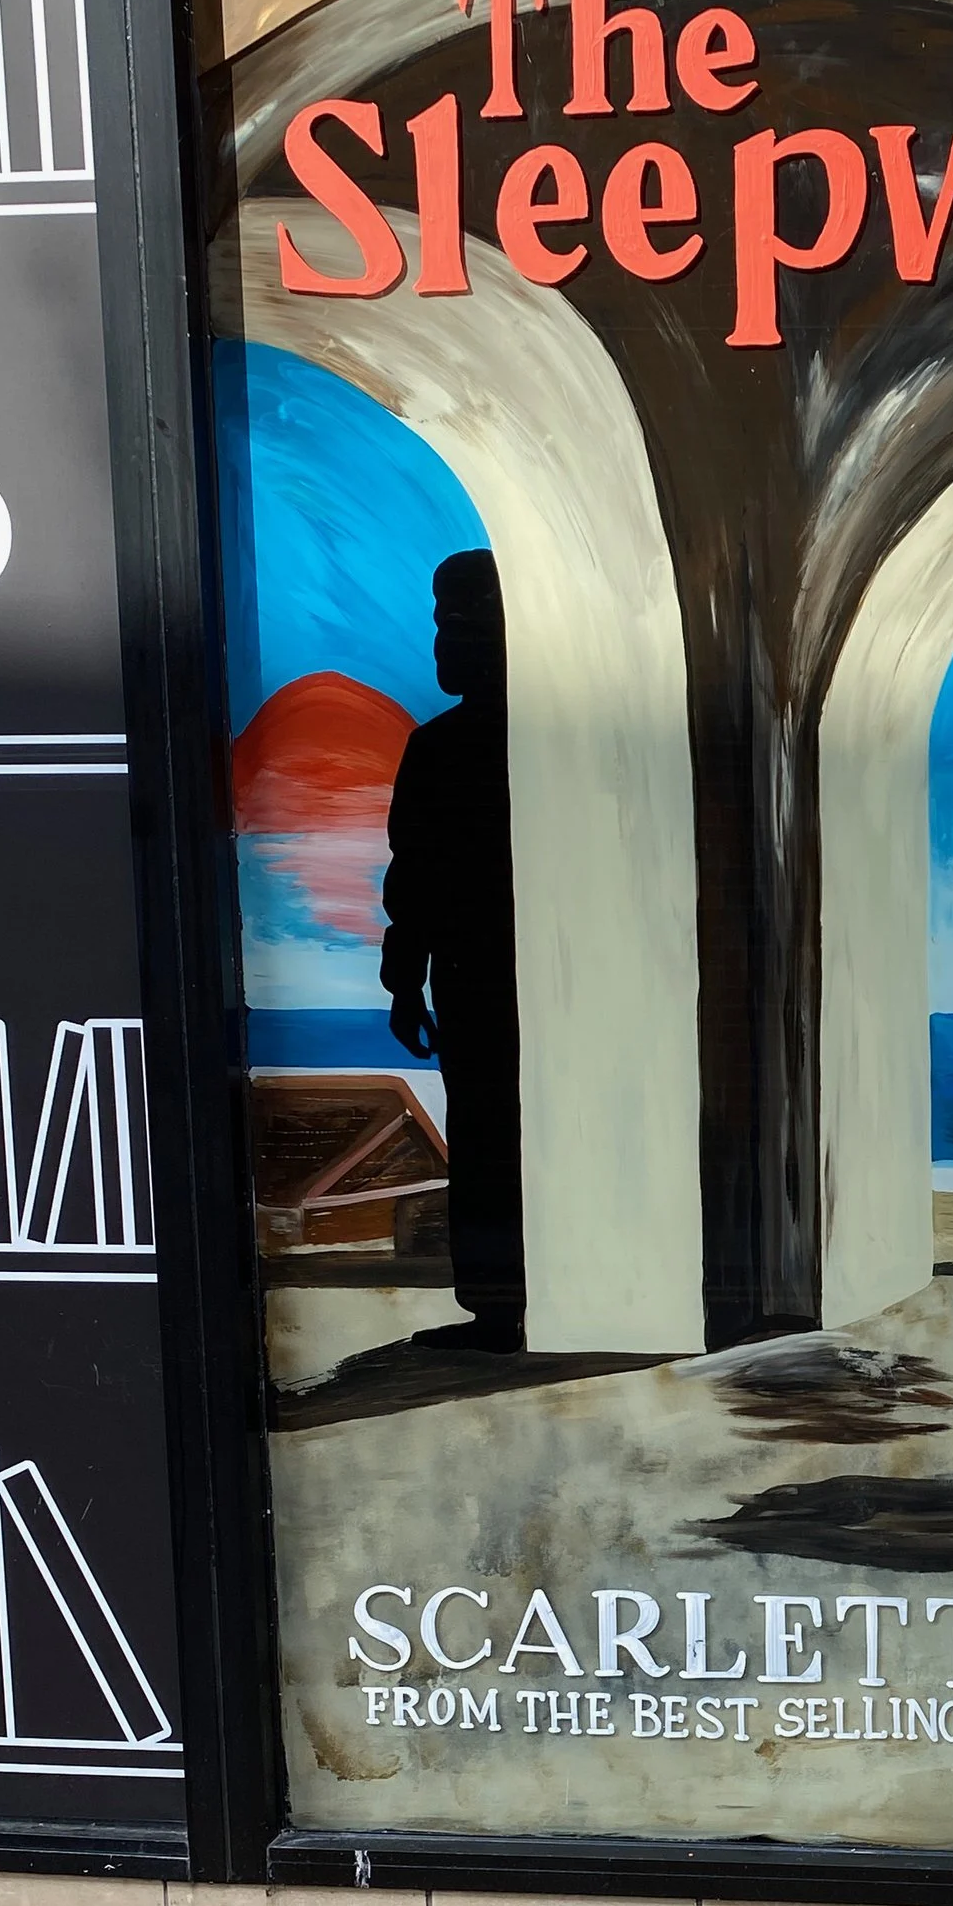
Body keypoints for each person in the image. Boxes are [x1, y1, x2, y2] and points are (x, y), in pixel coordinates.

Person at [380, 550, 525, 1353]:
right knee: (492, 1133)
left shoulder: (442, 749)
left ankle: (500, 1309)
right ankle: (504, 1305)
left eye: (458, 625)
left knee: (486, 1135)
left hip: (475, 978)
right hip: (484, 980)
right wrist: (406, 982)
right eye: (443, 625)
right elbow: (414, 877)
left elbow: (414, 878)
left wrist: (405, 984)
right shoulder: (448, 746)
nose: (442, 644)